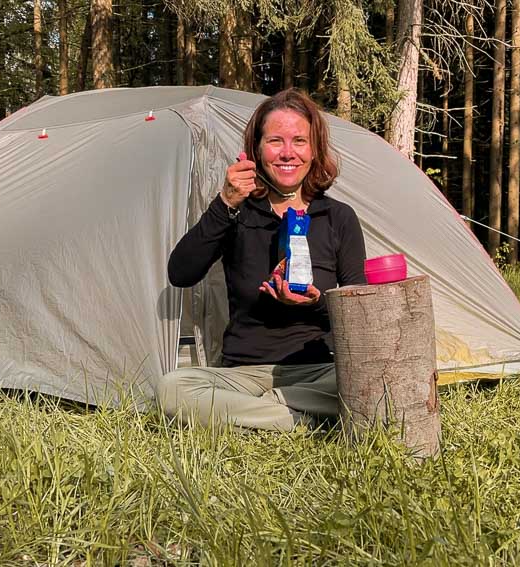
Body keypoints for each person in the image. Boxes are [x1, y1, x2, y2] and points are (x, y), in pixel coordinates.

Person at [154, 88, 367, 431]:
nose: (287, 153)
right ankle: (303, 420)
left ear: (314, 150)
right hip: (244, 373)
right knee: (172, 389)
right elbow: (180, 272)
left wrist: (315, 303)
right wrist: (225, 202)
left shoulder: (338, 217)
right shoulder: (237, 213)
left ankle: (258, 414)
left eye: (299, 141)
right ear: (256, 150)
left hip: (319, 369)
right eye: (275, 141)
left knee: (375, 380)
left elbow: (361, 314)